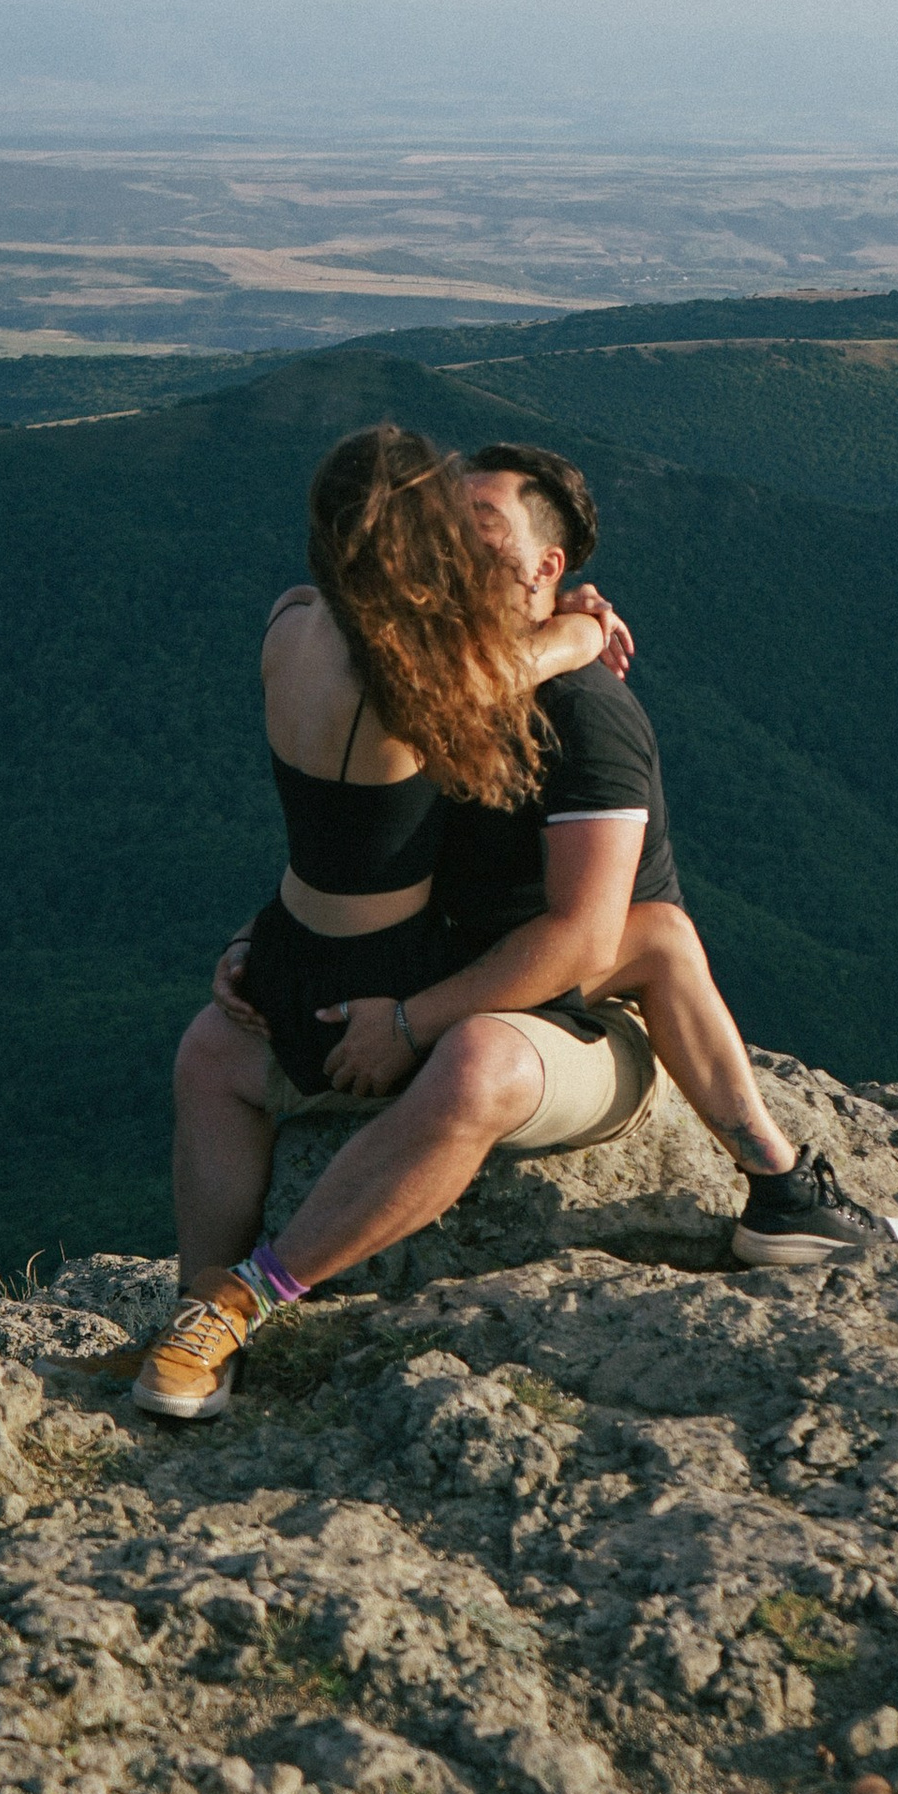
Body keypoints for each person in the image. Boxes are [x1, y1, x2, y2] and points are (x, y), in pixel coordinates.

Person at [136, 428, 898, 1423]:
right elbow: (361, 838)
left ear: (545, 563)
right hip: (442, 970)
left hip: (571, 1021)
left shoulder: (583, 715)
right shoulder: (431, 667)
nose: (454, 540)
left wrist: (408, 1022)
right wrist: (266, 953)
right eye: (439, 521)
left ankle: (245, 1299)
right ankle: (192, 1314)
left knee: (491, 1053)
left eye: (480, 523)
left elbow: (588, 942)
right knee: (213, 1052)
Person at [139, 420, 644, 1420]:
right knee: (535, 1013)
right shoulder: (412, 678)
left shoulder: (290, 618)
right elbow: (488, 679)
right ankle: (241, 1306)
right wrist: (582, 631)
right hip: (385, 965)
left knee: (210, 1058)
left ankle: (196, 1311)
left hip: (286, 945)